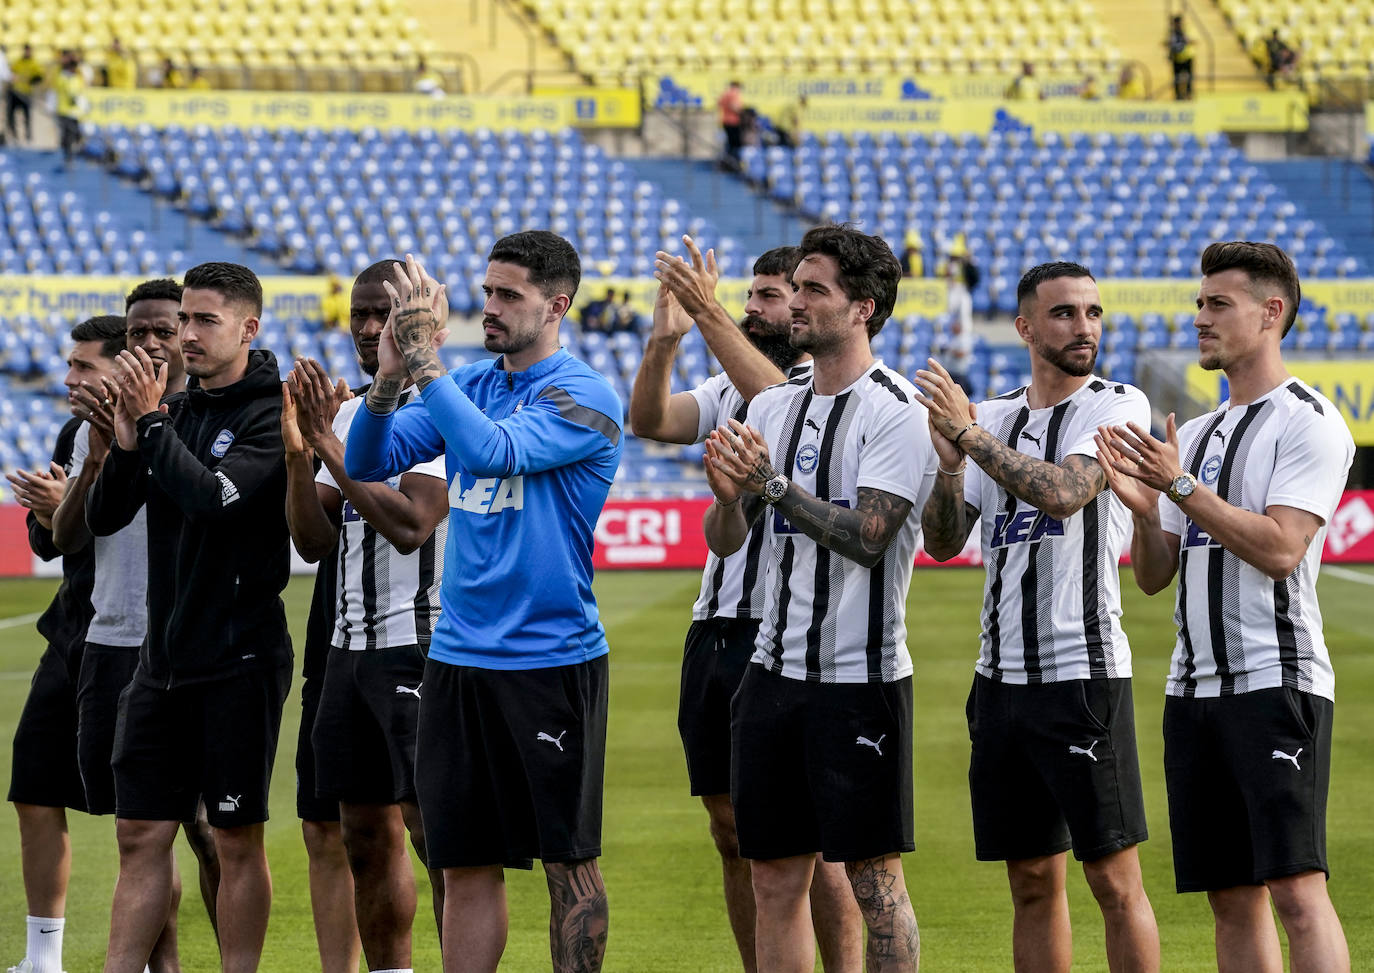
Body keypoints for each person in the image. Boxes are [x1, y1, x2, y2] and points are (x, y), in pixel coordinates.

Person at [343, 237, 622, 973]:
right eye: (487, 291)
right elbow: (368, 460)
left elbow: (495, 451)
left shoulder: (584, 394)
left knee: (569, 864)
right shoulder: (472, 381)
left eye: (508, 295)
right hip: (457, 657)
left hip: (549, 658)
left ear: (556, 306)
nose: (488, 308)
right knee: (462, 861)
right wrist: (386, 378)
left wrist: (428, 366)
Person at [1097, 241, 1354, 973]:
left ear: (1272, 313)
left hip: (1277, 682)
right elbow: (1155, 575)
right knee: (1231, 896)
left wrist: (1180, 490)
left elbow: (1280, 548)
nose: (1200, 319)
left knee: (1297, 891)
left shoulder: (1308, 420)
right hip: (1194, 691)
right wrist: (1145, 513)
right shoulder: (1202, 433)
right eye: (1199, 303)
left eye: (1218, 304)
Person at [701, 225, 933, 973]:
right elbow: (729, 539)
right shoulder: (774, 405)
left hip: (858, 680)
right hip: (771, 674)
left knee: (874, 881)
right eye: (794, 287)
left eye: (813, 289)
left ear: (862, 307)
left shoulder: (896, 408)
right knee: (772, 876)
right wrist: (729, 501)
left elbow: (869, 535)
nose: (794, 302)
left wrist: (768, 484)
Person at [917, 262, 1161, 973]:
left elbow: (1062, 493)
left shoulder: (1118, 404)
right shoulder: (991, 416)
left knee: (1114, 880)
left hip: (1081, 675)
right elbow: (940, 541)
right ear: (1024, 327)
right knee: (1029, 881)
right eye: (1064, 314)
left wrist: (967, 439)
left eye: (1093, 312)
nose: (1084, 326)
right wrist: (951, 465)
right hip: (999, 682)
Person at [631, 237, 864, 973]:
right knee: (731, 830)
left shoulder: (816, 392)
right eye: (758, 294)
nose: (766, 306)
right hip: (719, 623)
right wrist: (665, 342)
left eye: (778, 294)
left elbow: (772, 398)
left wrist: (703, 312)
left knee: (813, 839)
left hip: (790, 630)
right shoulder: (732, 388)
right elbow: (651, 419)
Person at [87, 261, 292, 973]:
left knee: (235, 836)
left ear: (248, 327)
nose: (188, 335)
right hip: (161, 666)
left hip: (239, 660)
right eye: (185, 321)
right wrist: (123, 438)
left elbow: (212, 498)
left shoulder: (271, 412)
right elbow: (104, 516)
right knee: (140, 833)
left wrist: (149, 421)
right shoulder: (171, 413)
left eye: (205, 320)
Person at [50, 283, 224, 970]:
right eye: (137, 333)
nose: (150, 343)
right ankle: (166, 967)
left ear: (183, 331)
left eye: (162, 329)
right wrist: (97, 455)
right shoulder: (90, 422)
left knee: (211, 832)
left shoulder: (210, 418)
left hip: (190, 649)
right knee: (140, 830)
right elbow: (68, 536)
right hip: (112, 641)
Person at [283, 259, 451, 973]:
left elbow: (413, 523)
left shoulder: (445, 408)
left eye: (384, 312)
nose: (369, 327)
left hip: (420, 646)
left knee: (434, 834)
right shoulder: (348, 414)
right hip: (347, 649)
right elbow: (314, 541)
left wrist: (326, 447)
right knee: (361, 834)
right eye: (359, 312)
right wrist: (299, 454)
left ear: (424, 322)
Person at [4, 317, 118, 973]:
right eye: (70, 365)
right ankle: (42, 957)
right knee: (34, 789)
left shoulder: (151, 432)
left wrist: (68, 501)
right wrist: (53, 508)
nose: (70, 378)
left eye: (84, 366)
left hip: (131, 640)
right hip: (70, 631)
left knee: (149, 819)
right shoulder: (73, 433)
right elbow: (52, 542)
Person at [942, 236, 977, 394]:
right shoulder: (947, 266)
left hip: (961, 292)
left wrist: (968, 262)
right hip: (951, 292)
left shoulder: (965, 267)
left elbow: (974, 279)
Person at [53, 50, 87, 169]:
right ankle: (67, 157)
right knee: (67, 136)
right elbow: (69, 93)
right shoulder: (63, 77)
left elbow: (79, 93)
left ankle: (71, 156)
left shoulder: (75, 78)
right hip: (64, 111)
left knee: (74, 135)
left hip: (73, 112)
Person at [7, 44, 43, 145]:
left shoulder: (34, 63)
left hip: (26, 93)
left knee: (26, 116)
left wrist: (33, 80)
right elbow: (11, 73)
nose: (27, 52)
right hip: (16, 92)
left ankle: (28, 136)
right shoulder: (18, 62)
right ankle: (14, 135)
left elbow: (39, 76)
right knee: (11, 115)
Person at [718, 80, 744, 170]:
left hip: (726, 121)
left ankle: (727, 162)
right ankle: (732, 163)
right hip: (733, 122)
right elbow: (733, 106)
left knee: (729, 143)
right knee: (735, 144)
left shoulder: (725, 94)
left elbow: (719, 103)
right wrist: (742, 113)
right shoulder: (733, 94)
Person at [1167, 16, 1194, 100]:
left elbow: (1193, 41)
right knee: (1176, 77)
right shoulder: (1171, 33)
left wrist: (1184, 38)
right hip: (1176, 58)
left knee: (1188, 77)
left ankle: (1189, 94)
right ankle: (1178, 95)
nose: (1177, 25)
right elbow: (1166, 42)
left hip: (1187, 57)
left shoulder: (1187, 30)